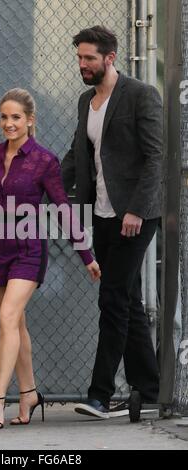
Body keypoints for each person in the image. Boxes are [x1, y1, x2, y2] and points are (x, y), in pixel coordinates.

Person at [0, 88, 101, 429]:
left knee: (8, 316)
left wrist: (86, 254)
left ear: (30, 121)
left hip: (27, 251)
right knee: (16, 325)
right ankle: (29, 393)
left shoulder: (43, 160)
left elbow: (63, 210)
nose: (9, 123)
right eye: (5, 117)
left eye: (16, 118)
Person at [61, 26, 162, 419]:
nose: (82, 65)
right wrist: (43, 186)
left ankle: (99, 395)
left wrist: (136, 209)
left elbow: (155, 158)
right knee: (127, 301)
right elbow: (77, 154)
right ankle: (148, 391)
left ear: (110, 57)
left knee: (113, 299)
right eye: (79, 58)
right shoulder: (87, 101)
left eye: (89, 58)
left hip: (135, 217)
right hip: (101, 215)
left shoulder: (140, 95)